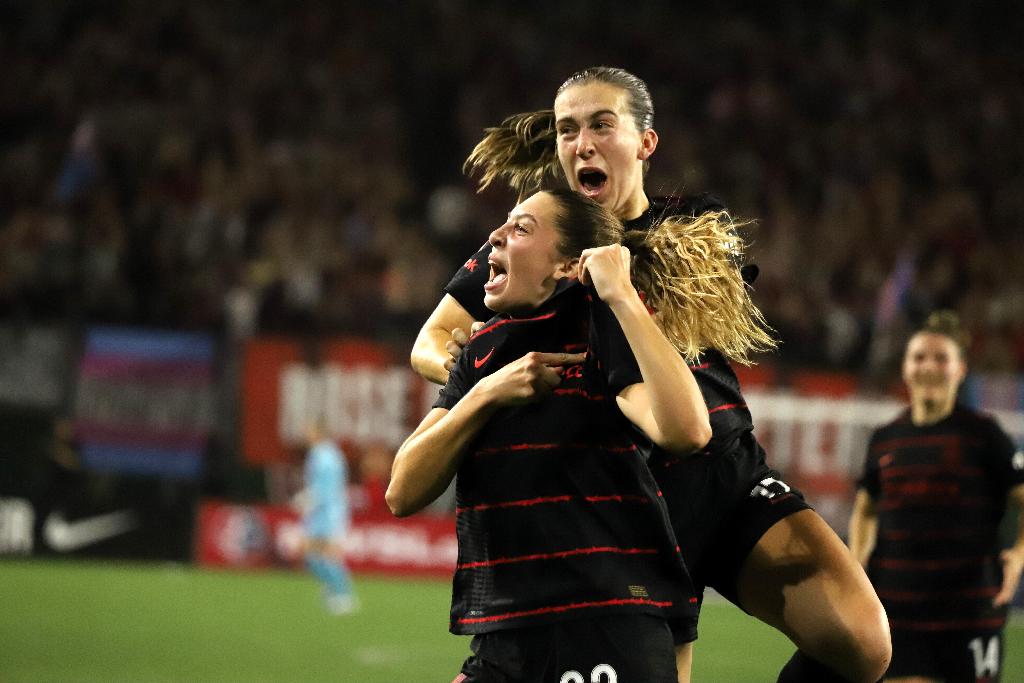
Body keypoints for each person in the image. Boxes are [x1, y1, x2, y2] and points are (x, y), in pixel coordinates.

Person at [412, 66, 891, 683]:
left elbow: (685, 330)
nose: (581, 143)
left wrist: (607, 282)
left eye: (601, 125)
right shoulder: (532, 244)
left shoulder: (694, 229)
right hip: (629, 500)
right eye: (567, 130)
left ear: (646, 142)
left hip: (721, 473)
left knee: (864, 645)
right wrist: (479, 372)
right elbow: (432, 340)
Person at [388, 188, 743, 682]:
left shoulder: (605, 333)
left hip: (605, 625)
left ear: (566, 266)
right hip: (505, 635)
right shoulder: (480, 356)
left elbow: (688, 432)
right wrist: (486, 395)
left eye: (522, 228)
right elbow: (402, 490)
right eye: (504, 224)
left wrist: (621, 295)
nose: (495, 235)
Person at [848, 311, 1024, 682]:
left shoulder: (984, 435)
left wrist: (1019, 555)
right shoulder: (885, 438)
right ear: (905, 368)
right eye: (919, 357)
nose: (928, 366)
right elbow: (866, 509)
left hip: (970, 611)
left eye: (941, 358)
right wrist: (857, 565)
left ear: (960, 370)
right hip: (898, 610)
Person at [300, 419, 357, 615]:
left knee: (329, 554)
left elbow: (329, 487)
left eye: (309, 430)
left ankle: (344, 595)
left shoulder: (326, 455)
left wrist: (309, 498)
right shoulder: (321, 453)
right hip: (319, 511)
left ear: (318, 432)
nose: (306, 434)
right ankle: (332, 588)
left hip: (331, 511)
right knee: (310, 554)